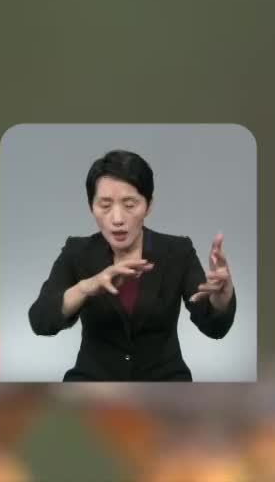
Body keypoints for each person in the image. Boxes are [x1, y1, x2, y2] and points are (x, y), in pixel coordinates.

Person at [27, 149, 236, 381]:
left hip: (164, 384)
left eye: (129, 204)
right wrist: (87, 287)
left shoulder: (178, 252)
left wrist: (221, 299)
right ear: (91, 207)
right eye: (105, 205)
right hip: (94, 384)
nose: (117, 219)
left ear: (148, 205)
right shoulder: (78, 252)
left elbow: (214, 329)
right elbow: (40, 320)